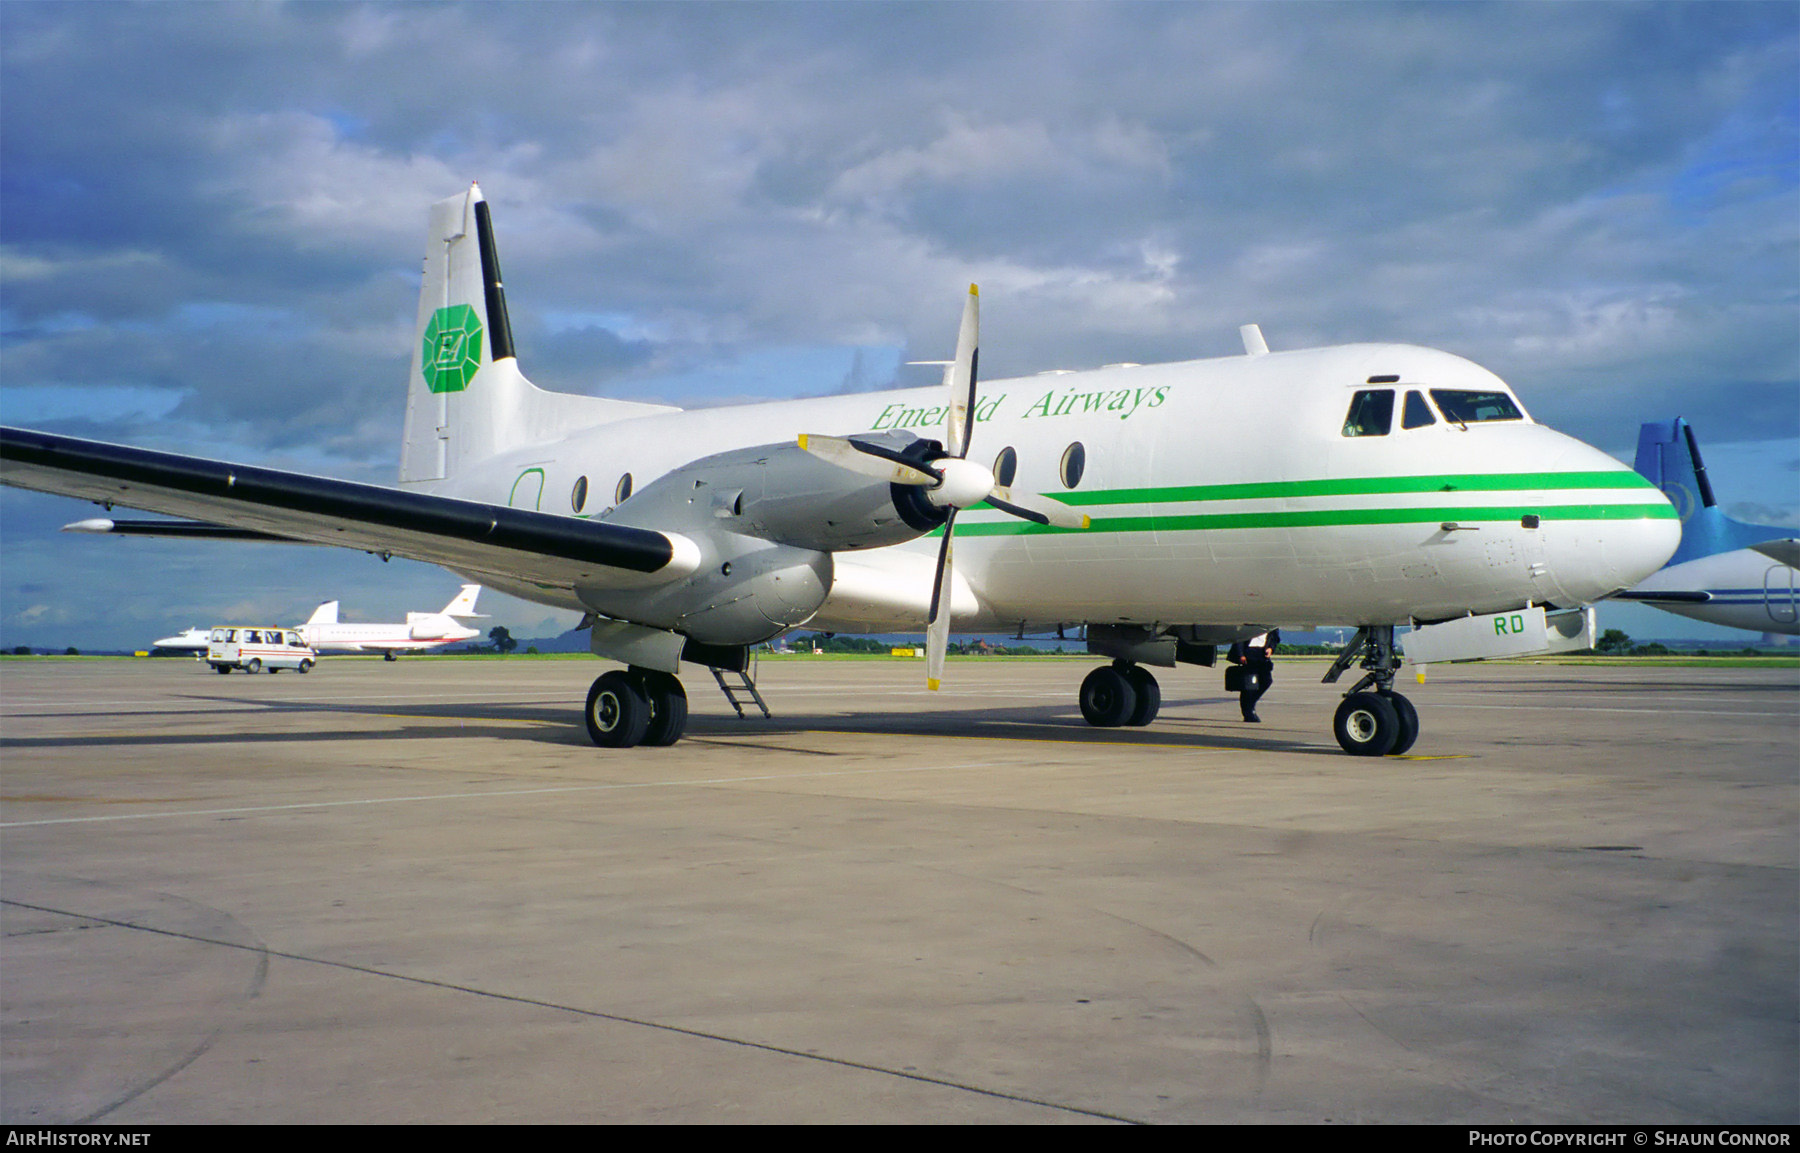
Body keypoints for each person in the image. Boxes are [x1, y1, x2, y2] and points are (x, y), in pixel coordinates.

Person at [1227, 628, 1279, 722]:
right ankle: (1248, 713)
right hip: (1248, 652)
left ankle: (1250, 704)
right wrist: (1240, 654)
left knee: (1267, 681)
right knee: (1248, 686)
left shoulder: (1271, 623)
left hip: (1262, 653)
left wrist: (1271, 648)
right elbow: (1239, 638)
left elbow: (1274, 638)